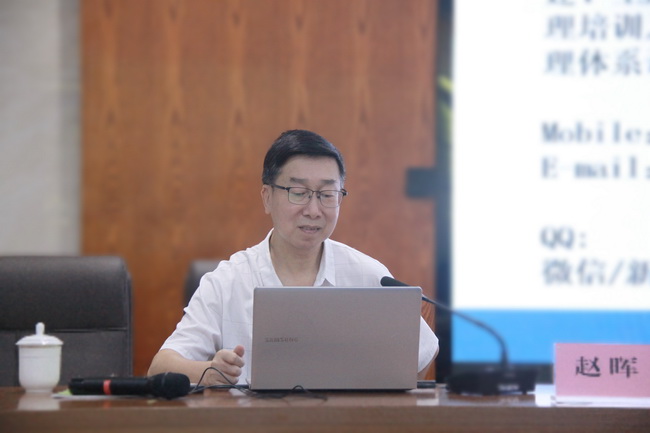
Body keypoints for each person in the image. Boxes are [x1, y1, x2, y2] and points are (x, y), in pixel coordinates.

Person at [148, 129, 439, 385]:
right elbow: (160, 367)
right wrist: (209, 371)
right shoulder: (227, 281)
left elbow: (422, 354)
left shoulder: (369, 276)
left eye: (327, 194)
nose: (313, 210)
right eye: (298, 193)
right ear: (267, 197)